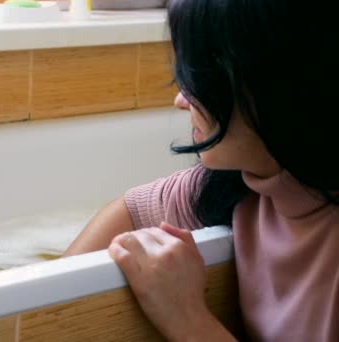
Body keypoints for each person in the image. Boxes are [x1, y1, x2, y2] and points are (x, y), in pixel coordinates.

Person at [64, 0, 338, 341]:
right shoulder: (246, 185)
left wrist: (188, 319)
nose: (180, 99)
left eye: (199, 78)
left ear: (271, 84)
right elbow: (131, 210)